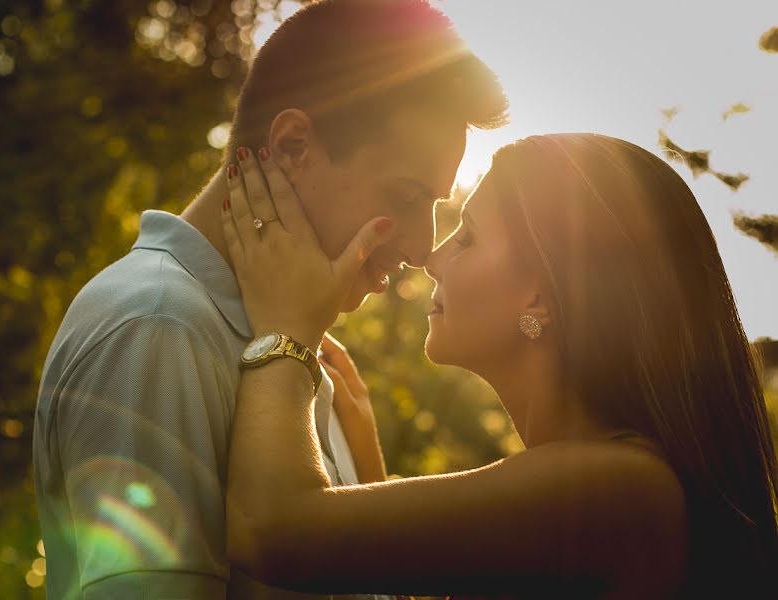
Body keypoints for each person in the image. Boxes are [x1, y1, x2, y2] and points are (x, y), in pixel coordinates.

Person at [32, 1, 508, 598]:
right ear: (292, 146)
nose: (420, 245)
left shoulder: (294, 345)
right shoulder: (158, 324)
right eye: (407, 196)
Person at [220, 133, 778, 599]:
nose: (433, 258)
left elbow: (268, 531)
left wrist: (286, 331)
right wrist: (367, 463)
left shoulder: (615, 489)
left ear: (540, 298)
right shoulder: (610, 480)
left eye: (468, 237)